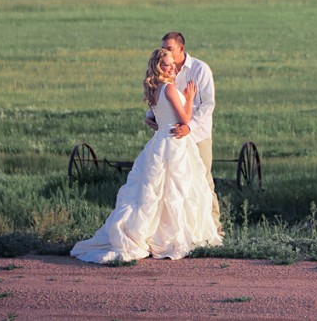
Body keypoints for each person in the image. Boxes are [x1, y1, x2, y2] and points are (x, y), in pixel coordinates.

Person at [71, 48, 222, 263]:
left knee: (161, 192)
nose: (171, 68)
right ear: (158, 67)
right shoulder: (169, 88)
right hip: (174, 143)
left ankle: (154, 234)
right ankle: (170, 237)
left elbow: (156, 116)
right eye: (166, 65)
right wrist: (189, 98)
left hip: (160, 141)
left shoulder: (154, 89)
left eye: (172, 64)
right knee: (174, 191)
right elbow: (185, 118)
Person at [145, 32, 221, 234]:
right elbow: (163, 99)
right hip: (173, 138)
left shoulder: (199, 69)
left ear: (181, 49)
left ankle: (213, 227)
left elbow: (207, 105)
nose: (165, 51)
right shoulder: (165, 70)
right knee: (172, 186)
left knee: (202, 180)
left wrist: (190, 127)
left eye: (169, 48)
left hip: (197, 135)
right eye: (163, 47)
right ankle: (176, 230)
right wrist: (151, 115)